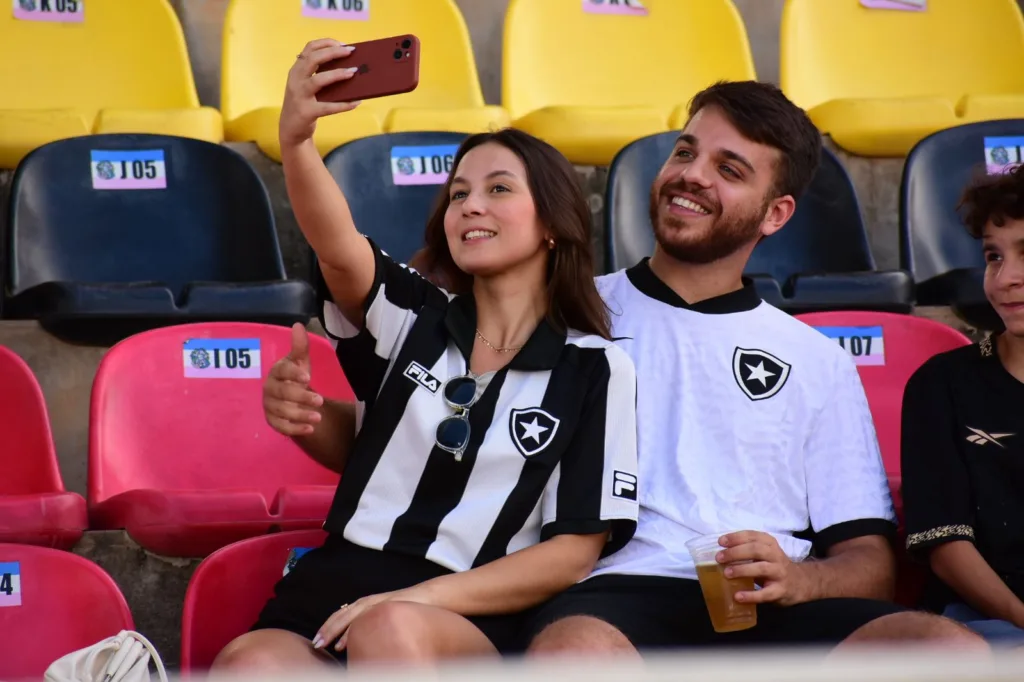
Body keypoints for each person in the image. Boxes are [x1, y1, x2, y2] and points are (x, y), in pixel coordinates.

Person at [212, 38, 640, 670]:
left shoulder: (595, 366)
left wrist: (412, 599)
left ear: (552, 223)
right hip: (334, 586)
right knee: (248, 664)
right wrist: (297, 142)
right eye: (459, 193)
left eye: (498, 189)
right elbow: (338, 248)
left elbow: (575, 549)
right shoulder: (416, 314)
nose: (470, 204)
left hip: (463, 606)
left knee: (390, 631)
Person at [521, 80, 985, 654]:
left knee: (945, 646)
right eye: (686, 151)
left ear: (775, 214)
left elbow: (870, 562)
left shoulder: (817, 358)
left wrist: (802, 578)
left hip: (775, 603)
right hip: (613, 594)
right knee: (575, 652)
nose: (692, 175)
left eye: (730, 169)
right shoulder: (572, 311)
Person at [901, 163, 1024, 646]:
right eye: (994, 257)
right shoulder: (941, 384)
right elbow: (946, 545)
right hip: (985, 624)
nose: (1007, 277)